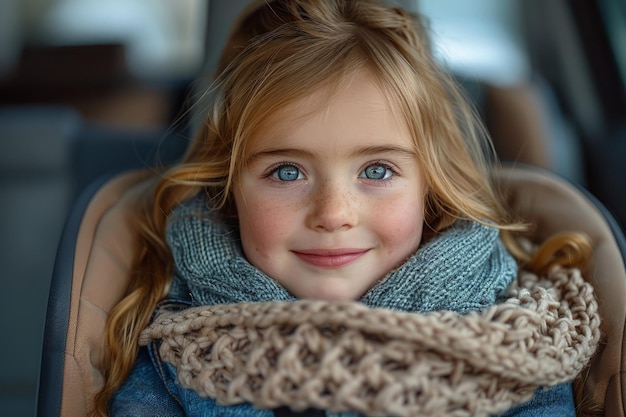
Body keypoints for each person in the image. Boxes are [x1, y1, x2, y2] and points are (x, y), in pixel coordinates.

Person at [94, 0, 600, 416]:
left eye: (376, 171)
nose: (334, 214)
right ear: (230, 191)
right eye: (287, 172)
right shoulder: (178, 346)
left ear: (431, 190)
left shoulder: (518, 342)